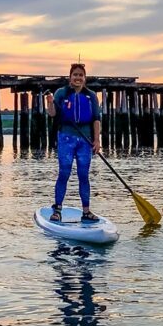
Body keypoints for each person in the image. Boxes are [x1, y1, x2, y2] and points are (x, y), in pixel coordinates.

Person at [44, 63, 102, 223]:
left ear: (84, 78)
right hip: (66, 137)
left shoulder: (91, 96)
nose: (77, 78)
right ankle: (57, 210)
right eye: (75, 75)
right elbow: (52, 114)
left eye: (80, 75)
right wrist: (50, 102)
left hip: (85, 139)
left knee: (84, 175)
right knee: (64, 172)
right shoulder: (61, 93)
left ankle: (86, 211)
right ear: (70, 77)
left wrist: (97, 140)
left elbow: (96, 119)